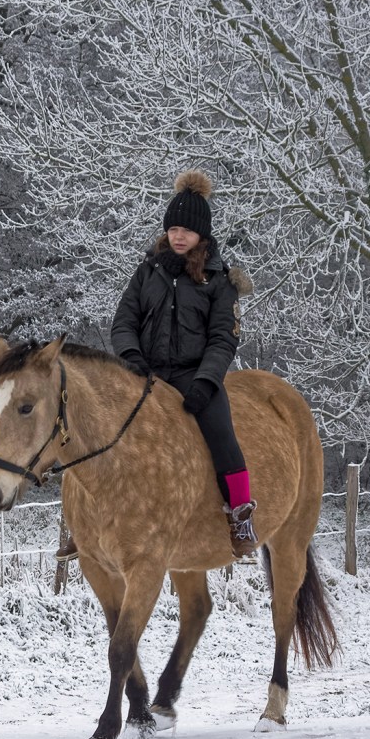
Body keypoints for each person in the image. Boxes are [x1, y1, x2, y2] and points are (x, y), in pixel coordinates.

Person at [110, 169, 258, 556]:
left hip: (197, 376)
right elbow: (123, 321)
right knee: (109, 432)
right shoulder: (147, 272)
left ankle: (240, 517)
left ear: (201, 236)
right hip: (148, 375)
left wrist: (206, 382)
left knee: (223, 437)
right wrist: (131, 358)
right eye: (173, 227)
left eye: (186, 230)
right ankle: (101, 516)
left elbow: (224, 338)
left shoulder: (219, 282)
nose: (178, 235)